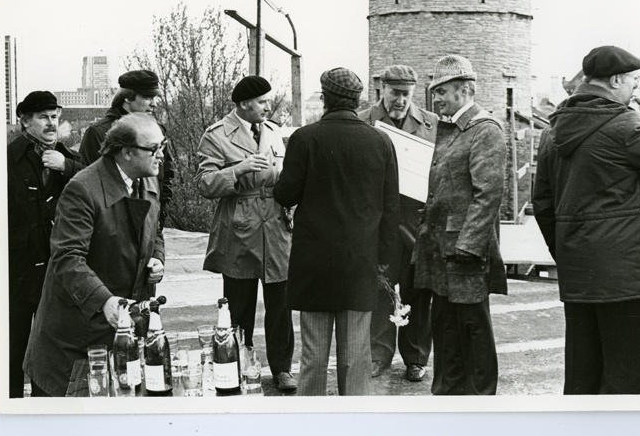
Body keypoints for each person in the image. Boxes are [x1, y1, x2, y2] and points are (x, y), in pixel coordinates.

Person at [532, 45, 640, 394]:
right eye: (635, 80)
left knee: (585, 376)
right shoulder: (625, 125)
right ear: (617, 79)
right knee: (634, 378)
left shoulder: (553, 130)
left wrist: (570, 254)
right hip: (629, 276)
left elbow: (543, 205)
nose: (638, 87)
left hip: (580, 276)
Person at [275, 68, 400, 396]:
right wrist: (385, 261)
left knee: (314, 355)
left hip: (313, 262)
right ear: (358, 99)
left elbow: (286, 194)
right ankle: (355, 427)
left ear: (325, 97)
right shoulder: (381, 141)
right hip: (360, 262)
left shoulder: (304, 138)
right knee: (356, 356)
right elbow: (390, 209)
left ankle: (308, 428)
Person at [24, 113, 166, 396]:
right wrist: (104, 301)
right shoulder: (82, 188)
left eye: (163, 146)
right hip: (75, 341)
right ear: (126, 152)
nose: (162, 155)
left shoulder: (147, 180)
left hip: (122, 333)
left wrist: (158, 257)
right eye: (154, 149)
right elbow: (67, 257)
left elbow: (155, 229)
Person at [194, 75, 297, 392]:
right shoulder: (216, 135)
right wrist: (237, 170)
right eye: (263, 102)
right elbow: (205, 183)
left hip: (276, 226)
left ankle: (282, 369)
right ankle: (235, 368)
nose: (268, 107)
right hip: (239, 226)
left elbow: (283, 174)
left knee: (280, 304)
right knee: (239, 306)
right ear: (243, 105)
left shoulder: (273, 132)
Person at [413, 54, 507, 395]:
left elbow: (488, 194)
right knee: (446, 326)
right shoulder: (451, 128)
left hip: (465, 252)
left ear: (466, 90)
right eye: (434, 91)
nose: (435, 98)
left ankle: (482, 400)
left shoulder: (485, 130)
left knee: (473, 328)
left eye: (443, 91)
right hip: (441, 250)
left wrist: (469, 246)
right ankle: (448, 395)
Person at [357, 64, 437, 382]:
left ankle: (416, 358)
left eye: (406, 94)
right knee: (380, 289)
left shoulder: (430, 124)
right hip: (379, 224)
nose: (400, 100)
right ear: (382, 90)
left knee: (419, 290)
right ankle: (379, 355)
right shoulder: (364, 122)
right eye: (395, 93)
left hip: (417, 223)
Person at [7, 91, 84, 398]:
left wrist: (66, 166)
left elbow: (96, 181)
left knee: (48, 350)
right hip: (18, 268)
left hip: (56, 268)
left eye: (55, 117)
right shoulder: (7, 159)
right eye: (43, 117)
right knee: (12, 346)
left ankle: (44, 412)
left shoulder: (69, 157)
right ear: (26, 122)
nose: (52, 124)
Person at [79, 69, 174, 231]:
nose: (154, 103)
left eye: (154, 97)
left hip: (148, 218)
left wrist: (159, 211)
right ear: (128, 98)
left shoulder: (156, 130)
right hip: (110, 224)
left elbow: (166, 174)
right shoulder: (98, 132)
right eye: (147, 97)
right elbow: (86, 178)